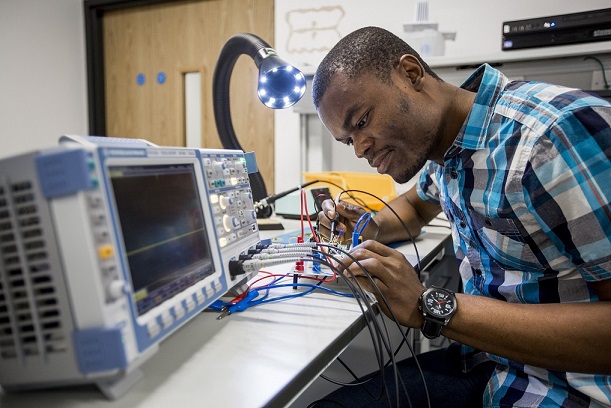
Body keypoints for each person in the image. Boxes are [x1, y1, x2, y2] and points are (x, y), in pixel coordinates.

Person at [310, 26, 611, 407]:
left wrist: (428, 303)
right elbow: (415, 207)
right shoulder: (448, 150)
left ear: (411, 74)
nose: (360, 149)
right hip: (492, 361)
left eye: (363, 121)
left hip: (567, 386)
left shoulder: (550, 137)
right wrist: (368, 224)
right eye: (348, 140)